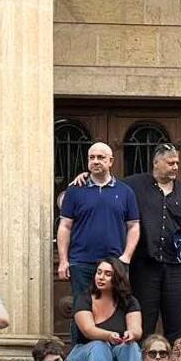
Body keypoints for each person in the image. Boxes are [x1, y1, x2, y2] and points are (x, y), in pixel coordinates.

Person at [56, 142, 140, 341]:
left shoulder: (125, 191)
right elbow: (65, 226)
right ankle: (80, 354)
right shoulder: (75, 191)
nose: (95, 161)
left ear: (111, 161)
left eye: (100, 157)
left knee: (116, 307)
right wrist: (63, 260)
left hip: (115, 263)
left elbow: (134, 226)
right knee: (81, 309)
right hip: (81, 262)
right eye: (91, 157)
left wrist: (126, 257)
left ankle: (115, 349)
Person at [119, 143, 181, 343]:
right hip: (145, 265)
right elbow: (108, 184)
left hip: (177, 265)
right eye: (170, 163)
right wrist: (84, 177)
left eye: (177, 163)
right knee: (145, 320)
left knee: (177, 321)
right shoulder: (135, 185)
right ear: (156, 163)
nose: (175, 167)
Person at [66, 257, 144, 361]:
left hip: (114, 353)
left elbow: (136, 330)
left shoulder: (129, 301)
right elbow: (88, 330)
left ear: (118, 278)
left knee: (131, 346)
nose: (101, 277)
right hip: (82, 358)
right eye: (99, 272)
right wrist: (108, 336)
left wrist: (131, 335)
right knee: (99, 345)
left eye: (108, 274)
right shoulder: (84, 299)